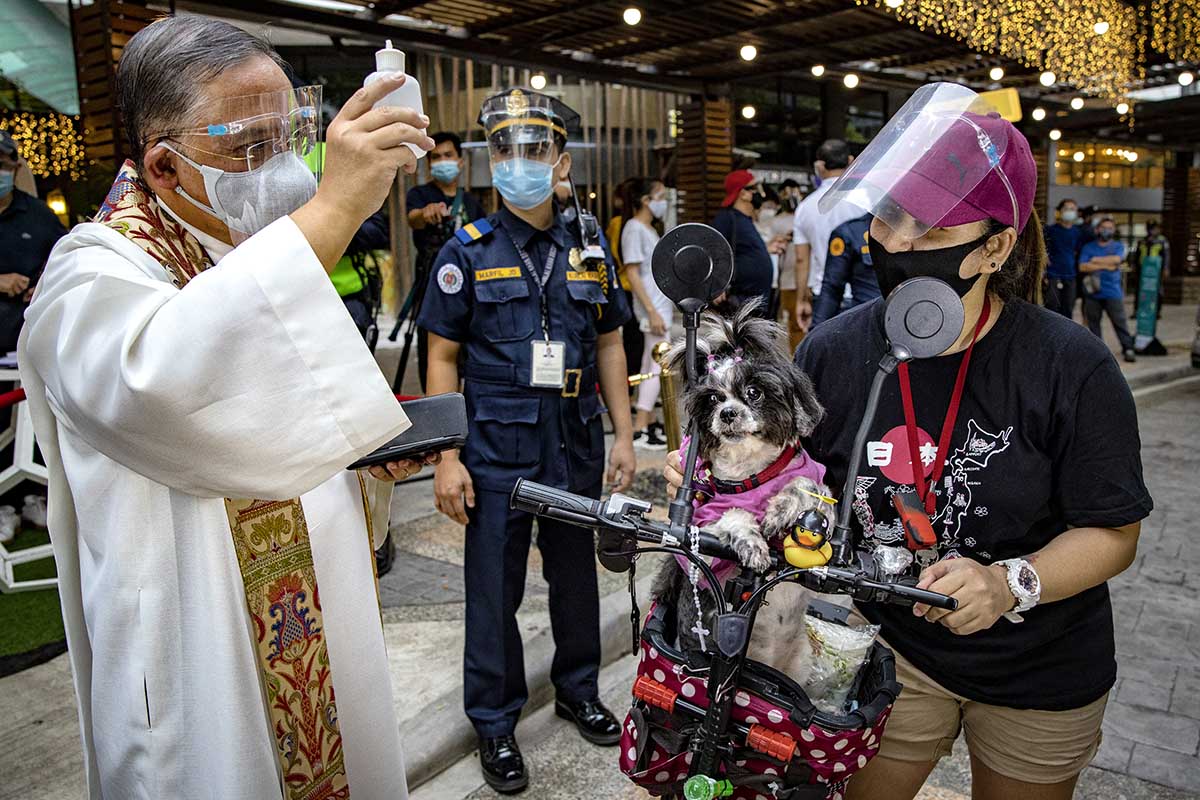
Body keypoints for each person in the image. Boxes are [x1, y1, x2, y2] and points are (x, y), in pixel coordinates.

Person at [667, 84, 1150, 800]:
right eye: (889, 217)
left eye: (928, 230)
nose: (894, 244)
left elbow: (1113, 532)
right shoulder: (835, 347)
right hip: (887, 648)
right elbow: (780, 475)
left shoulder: (1070, 365)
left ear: (995, 247)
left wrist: (1011, 582)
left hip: (1040, 666)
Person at [17, 17, 438, 799]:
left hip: (319, 629)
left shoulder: (254, 240)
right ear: (164, 168)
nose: (278, 169)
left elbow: (286, 416)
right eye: (249, 147)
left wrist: (365, 465)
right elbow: (171, 386)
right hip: (196, 659)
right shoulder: (90, 277)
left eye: (288, 139)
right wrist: (337, 206)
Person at [417, 88, 636, 794]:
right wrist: (447, 456)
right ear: (492, 164)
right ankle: (495, 723)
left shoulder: (590, 246)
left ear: (561, 161)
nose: (521, 163)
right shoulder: (467, 249)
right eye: (507, 151)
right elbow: (441, 355)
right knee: (492, 592)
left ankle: (577, 689)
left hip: (572, 443)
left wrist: (626, 434)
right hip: (493, 449)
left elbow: (609, 343)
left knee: (575, 582)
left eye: (535, 150)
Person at [406, 132, 486, 389]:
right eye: (436, 157)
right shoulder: (420, 194)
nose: (442, 161)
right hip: (430, 290)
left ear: (460, 161)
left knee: (468, 358)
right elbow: (413, 218)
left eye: (448, 155)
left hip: (470, 293)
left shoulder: (473, 203)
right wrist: (425, 214)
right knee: (433, 357)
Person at [0, 131, 65, 353]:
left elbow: (68, 261)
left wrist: (44, 286)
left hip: (28, 348)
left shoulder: (39, 215)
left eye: (2, 165)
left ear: (16, 169)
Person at [620, 177, 671, 450]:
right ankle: (640, 425)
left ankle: (648, 422)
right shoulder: (633, 229)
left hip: (658, 304)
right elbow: (632, 272)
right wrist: (650, 310)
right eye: (660, 195)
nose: (664, 201)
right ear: (645, 200)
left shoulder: (648, 229)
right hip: (652, 306)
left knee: (650, 363)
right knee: (656, 363)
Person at [793, 139, 860, 334]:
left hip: (823, 296)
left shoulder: (805, 207)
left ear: (819, 166)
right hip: (863, 293)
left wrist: (801, 300)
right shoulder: (868, 200)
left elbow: (801, 259)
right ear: (851, 160)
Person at [711, 169, 773, 316]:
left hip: (756, 301)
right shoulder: (727, 219)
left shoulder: (745, 220)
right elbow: (712, 251)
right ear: (743, 193)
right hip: (741, 301)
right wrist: (716, 286)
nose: (759, 193)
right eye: (754, 188)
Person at [1080, 216, 1136, 362]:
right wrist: (1108, 265)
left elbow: (1117, 260)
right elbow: (1082, 266)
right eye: (1103, 228)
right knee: (1094, 325)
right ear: (1097, 229)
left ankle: (1128, 348)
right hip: (1092, 292)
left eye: (1110, 228)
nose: (1106, 231)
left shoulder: (1117, 246)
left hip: (1113, 292)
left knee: (1120, 322)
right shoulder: (1088, 247)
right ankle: (1098, 353)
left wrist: (1094, 260)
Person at [810, 212, 880, 326]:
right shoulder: (851, 232)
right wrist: (815, 330)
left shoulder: (916, 232)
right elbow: (832, 288)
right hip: (867, 323)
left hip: (910, 319)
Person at [607, 179, 644, 380]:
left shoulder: (617, 224)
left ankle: (633, 385)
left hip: (626, 286)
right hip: (632, 287)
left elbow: (614, 255)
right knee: (635, 341)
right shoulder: (634, 225)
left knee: (632, 340)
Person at [1042, 198, 1084, 318]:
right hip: (1053, 275)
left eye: (1072, 209)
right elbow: (1041, 249)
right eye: (1066, 208)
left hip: (1070, 275)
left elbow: (1079, 251)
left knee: (1068, 308)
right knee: (1051, 307)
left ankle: (1066, 335)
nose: (1069, 211)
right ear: (1060, 211)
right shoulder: (1050, 230)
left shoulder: (1078, 232)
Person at [775, 178, 803, 350]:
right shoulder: (776, 221)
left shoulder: (806, 214)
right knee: (794, 323)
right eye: (786, 192)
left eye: (794, 191)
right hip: (787, 279)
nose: (791, 196)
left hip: (808, 279)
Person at [1133, 219, 1169, 321]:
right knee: (1139, 291)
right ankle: (1137, 311)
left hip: (1156, 271)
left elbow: (1166, 255)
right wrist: (1135, 266)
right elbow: (1137, 255)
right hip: (1142, 270)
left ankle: (1156, 312)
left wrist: (1165, 268)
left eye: (1154, 228)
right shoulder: (1142, 241)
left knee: (1158, 291)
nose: (1152, 231)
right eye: (1150, 228)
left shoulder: (1162, 241)